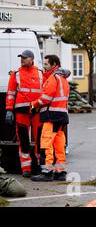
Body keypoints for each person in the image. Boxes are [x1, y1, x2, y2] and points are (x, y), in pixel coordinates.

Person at [29, 55, 70, 182]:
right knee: (59, 144)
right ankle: (60, 172)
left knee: (46, 143)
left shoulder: (53, 78)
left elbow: (46, 98)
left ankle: (47, 172)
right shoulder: (63, 79)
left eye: (46, 64)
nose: (44, 66)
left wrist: (34, 104)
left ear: (54, 65)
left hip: (51, 115)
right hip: (61, 115)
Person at [5, 50, 44, 178]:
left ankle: (38, 165)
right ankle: (26, 168)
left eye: (24, 58)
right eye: (21, 58)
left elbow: (48, 87)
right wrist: (9, 110)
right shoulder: (15, 74)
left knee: (39, 139)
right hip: (21, 111)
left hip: (37, 110)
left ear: (31, 59)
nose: (22, 59)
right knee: (23, 139)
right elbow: (10, 93)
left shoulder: (40, 73)